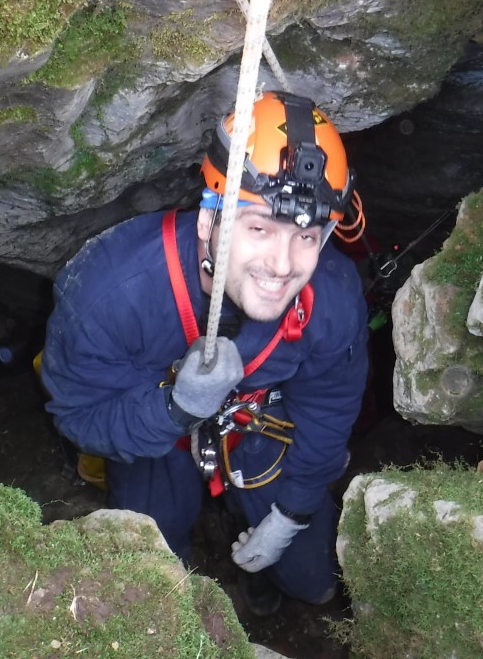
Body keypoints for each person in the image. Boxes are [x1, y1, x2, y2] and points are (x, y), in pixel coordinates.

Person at [40, 91, 369, 615]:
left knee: (315, 581)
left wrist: (294, 510)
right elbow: (81, 417)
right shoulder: (110, 292)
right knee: (149, 582)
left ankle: (264, 578)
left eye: (306, 236)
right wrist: (175, 408)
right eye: (259, 228)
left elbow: (328, 407)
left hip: (257, 424)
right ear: (207, 222)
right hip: (152, 434)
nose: (282, 264)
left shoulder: (330, 297)